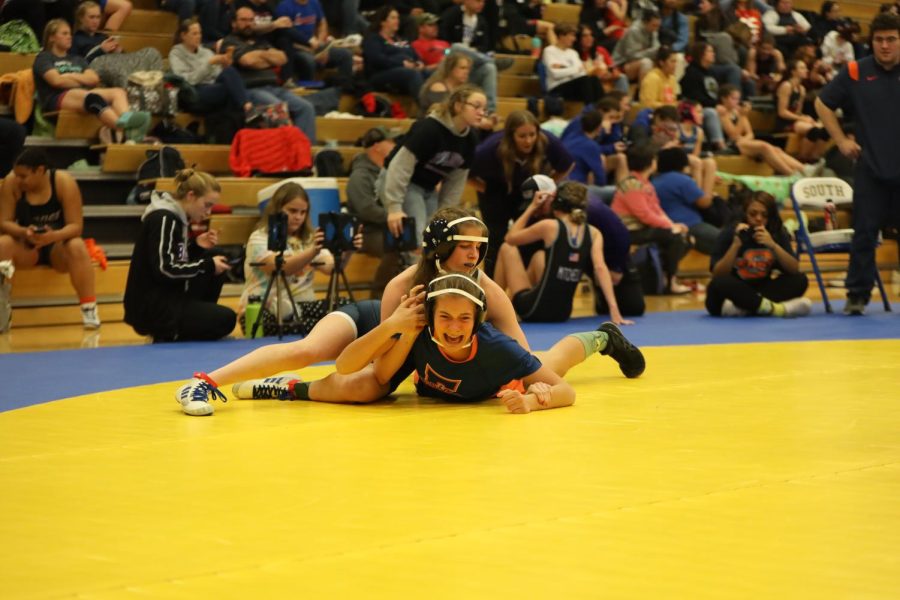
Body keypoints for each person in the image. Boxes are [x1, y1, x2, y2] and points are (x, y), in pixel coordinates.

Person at [247, 273, 644, 413]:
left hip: (490, 385)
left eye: (464, 320)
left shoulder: (496, 349)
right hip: (435, 369)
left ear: (478, 321)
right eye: (446, 318)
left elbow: (566, 392)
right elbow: (350, 368)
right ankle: (288, 389)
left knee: (551, 364)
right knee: (362, 387)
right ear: (430, 317)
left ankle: (601, 337)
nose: (454, 328)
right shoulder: (418, 333)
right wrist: (392, 329)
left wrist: (533, 400)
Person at [815, 12, 900, 315]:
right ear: (871, 42)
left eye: (891, 39)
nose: (885, 45)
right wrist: (840, 140)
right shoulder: (855, 72)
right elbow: (822, 104)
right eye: (879, 40)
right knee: (864, 233)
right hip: (871, 169)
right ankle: (858, 295)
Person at [493, 179, 630, 324]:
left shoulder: (549, 226)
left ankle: (494, 311)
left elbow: (510, 238)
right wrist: (614, 310)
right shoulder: (594, 233)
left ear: (556, 205)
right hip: (563, 314)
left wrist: (532, 207)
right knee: (539, 257)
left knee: (507, 248)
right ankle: (509, 306)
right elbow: (601, 269)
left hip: (533, 310)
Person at [123, 169, 236, 343]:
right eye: (207, 205)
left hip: (167, 298)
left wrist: (196, 247)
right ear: (191, 196)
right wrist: (207, 266)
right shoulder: (164, 218)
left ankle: (193, 321)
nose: (209, 212)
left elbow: (178, 259)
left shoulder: (179, 219)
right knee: (226, 319)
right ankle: (171, 330)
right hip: (153, 308)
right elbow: (164, 269)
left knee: (216, 256)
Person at [240, 181, 360, 337]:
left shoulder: (309, 238)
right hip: (263, 308)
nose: (298, 217)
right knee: (314, 325)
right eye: (292, 211)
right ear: (277, 209)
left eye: (303, 212)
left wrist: (348, 250)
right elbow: (281, 267)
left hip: (303, 305)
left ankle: (305, 319)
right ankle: (317, 326)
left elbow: (332, 268)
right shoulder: (260, 237)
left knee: (346, 306)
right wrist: (313, 251)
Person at [0, 149, 100, 332]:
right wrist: (24, 232)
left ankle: (89, 310)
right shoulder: (11, 183)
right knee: (3, 243)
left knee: (77, 245)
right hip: (27, 246)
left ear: (40, 170)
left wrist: (52, 236)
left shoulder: (63, 182)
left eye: (23, 176)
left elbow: (76, 226)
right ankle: (2, 310)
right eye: (17, 175)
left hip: (57, 246)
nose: (19, 180)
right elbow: (4, 223)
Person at [469, 110, 573, 275]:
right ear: (511, 136)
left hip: (528, 190)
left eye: (532, 134)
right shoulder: (490, 148)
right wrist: (487, 189)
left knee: (530, 237)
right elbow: (465, 172)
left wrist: (548, 181)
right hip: (497, 190)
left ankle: (525, 281)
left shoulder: (547, 141)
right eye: (522, 136)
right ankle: (491, 286)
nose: (528, 140)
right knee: (496, 239)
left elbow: (566, 164)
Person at [380, 84, 485, 248]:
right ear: (458, 106)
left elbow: (455, 183)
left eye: (484, 108)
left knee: (437, 237)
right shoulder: (429, 129)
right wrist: (394, 207)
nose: (482, 112)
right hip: (401, 182)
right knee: (421, 239)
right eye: (476, 106)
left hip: (427, 189)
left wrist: (446, 217)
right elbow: (400, 167)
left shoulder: (471, 140)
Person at [33, 19, 151, 143]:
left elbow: (94, 79)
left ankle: (127, 120)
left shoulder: (77, 59)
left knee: (118, 92)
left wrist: (69, 75)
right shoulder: (44, 57)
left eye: (70, 34)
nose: (69, 37)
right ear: (52, 38)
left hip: (82, 94)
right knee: (91, 97)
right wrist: (81, 79)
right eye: (64, 33)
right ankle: (125, 129)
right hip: (56, 98)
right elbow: (56, 81)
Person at [706, 191, 812, 317]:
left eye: (764, 215)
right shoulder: (730, 231)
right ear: (745, 213)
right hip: (734, 290)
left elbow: (794, 269)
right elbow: (718, 274)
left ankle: (746, 308)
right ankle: (777, 309)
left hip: (761, 290)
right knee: (718, 284)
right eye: (753, 214)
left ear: (770, 216)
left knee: (800, 280)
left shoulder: (776, 232)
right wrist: (735, 245)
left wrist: (773, 245)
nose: (758, 218)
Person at [223, 6, 317, 142]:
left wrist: (259, 56)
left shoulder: (260, 40)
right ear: (234, 23)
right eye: (243, 20)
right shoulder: (229, 42)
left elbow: (282, 58)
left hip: (274, 87)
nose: (248, 24)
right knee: (278, 108)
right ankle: (287, 155)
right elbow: (248, 61)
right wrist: (267, 57)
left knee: (306, 107)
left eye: (251, 20)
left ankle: (305, 156)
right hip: (252, 90)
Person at [611, 142, 692, 294]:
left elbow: (656, 209)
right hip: (628, 231)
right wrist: (670, 228)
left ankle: (663, 275)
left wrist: (673, 224)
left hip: (642, 229)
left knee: (685, 237)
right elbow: (645, 215)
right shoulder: (632, 185)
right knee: (674, 238)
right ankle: (670, 282)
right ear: (650, 162)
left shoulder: (646, 184)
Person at [346, 126, 402, 298]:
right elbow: (366, 209)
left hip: (386, 228)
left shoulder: (390, 172)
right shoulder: (360, 176)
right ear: (377, 146)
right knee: (396, 248)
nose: (396, 145)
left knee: (415, 244)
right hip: (366, 232)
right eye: (391, 141)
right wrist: (392, 217)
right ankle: (379, 298)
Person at [717, 85, 812, 176]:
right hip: (729, 144)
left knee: (775, 149)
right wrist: (743, 116)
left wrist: (743, 138)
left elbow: (750, 133)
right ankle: (791, 174)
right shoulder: (722, 111)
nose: (737, 102)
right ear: (724, 99)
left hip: (742, 142)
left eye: (738, 99)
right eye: (733, 99)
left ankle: (804, 169)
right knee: (764, 146)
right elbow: (733, 136)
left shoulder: (737, 111)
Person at [439, 0, 512, 114]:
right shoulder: (451, 14)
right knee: (457, 46)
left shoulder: (481, 21)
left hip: (472, 62)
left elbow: (484, 45)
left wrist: (473, 51)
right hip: (450, 57)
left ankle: (490, 112)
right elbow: (443, 40)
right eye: (478, 1)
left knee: (489, 68)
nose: (481, 4)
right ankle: (492, 61)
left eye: (483, 1)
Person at [169, 18, 254, 115]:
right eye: (194, 34)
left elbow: (216, 74)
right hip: (193, 91)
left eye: (200, 33)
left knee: (229, 71)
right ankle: (248, 111)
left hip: (212, 85)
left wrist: (223, 64)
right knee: (231, 91)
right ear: (183, 35)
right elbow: (186, 81)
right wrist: (209, 64)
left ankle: (248, 108)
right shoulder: (176, 54)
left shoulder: (206, 52)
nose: (199, 37)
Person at [652, 147, 720, 254]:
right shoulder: (680, 179)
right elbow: (704, 202)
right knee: (727, 241)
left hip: (671, 227)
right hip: (689, 225)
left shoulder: (655, 180)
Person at [587, 195, 646, 316]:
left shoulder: (595, 211)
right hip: (588, 255)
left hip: (611, 254)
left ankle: (607, 304)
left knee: (633, 308)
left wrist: (616, 267)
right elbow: (599, 267)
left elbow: (600, 266)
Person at [275, 0, 354, 89]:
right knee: (309, 60)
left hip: (314, 46)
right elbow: (285, 35)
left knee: (346, 54)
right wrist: (311, 48)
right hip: (296, 48)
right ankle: (309, 90)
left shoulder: (314, 3)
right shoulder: (284, 6)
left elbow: (322, 23)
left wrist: (320, 45)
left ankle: (344, 88)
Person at [361, 5, 426, 100]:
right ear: (382, 22)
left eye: (398, 18)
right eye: (393, 18)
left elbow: (414, 54)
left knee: (432, 73)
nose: (397, 21)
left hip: (405, 71)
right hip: (381, 74)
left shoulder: (399, 39)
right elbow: (377, 59)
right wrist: (402, 63)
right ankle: (425, 109)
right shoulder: (373, 39)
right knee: (412, 74)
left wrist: (420, 63)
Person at [775, 59, 830, 163]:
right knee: (814, 130)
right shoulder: (786, 86)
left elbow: (798, 112)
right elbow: (782, 112)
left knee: (825, 130)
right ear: (793, 71)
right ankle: (802, 159)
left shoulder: (801, 89)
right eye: (802, 68)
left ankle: (815, 159)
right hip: (784, 122)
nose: (806, 70)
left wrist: (807, 119)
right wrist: (802, 118)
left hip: (796, 120)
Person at [542, 22, 604, 103]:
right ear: (561, 36)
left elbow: (582, 73)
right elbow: (555, 74)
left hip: (573, 85)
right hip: (557, 87)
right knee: (585, 81)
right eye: (571, 35)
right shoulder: (549, 51)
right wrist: (576, 69)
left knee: (594, 79)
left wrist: (564, 68)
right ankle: (590, 109)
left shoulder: (573, 53)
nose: (574, 39)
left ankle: (602, 107)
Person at [576, 23, 630, 94]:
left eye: (591, 35)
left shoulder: (601, 50)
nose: (590, 38)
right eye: (585, 36)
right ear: (578, 38)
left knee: (622, 77)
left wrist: (612, 74)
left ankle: (621, 101)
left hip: (607, 80)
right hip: (588, 84)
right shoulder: (573, 54)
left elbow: (613, 69)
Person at [612, 8, 661, 83]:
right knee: (646, 63)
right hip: (622, 64)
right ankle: (642, 93)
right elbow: (631, 56)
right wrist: (651, 52)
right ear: (645, 22)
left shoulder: (653, 31)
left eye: (658, 26)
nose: (656, 29)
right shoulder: (634, 31)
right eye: (654, 25)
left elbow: (657, 48)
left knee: (669, 60)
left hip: (640, 59)